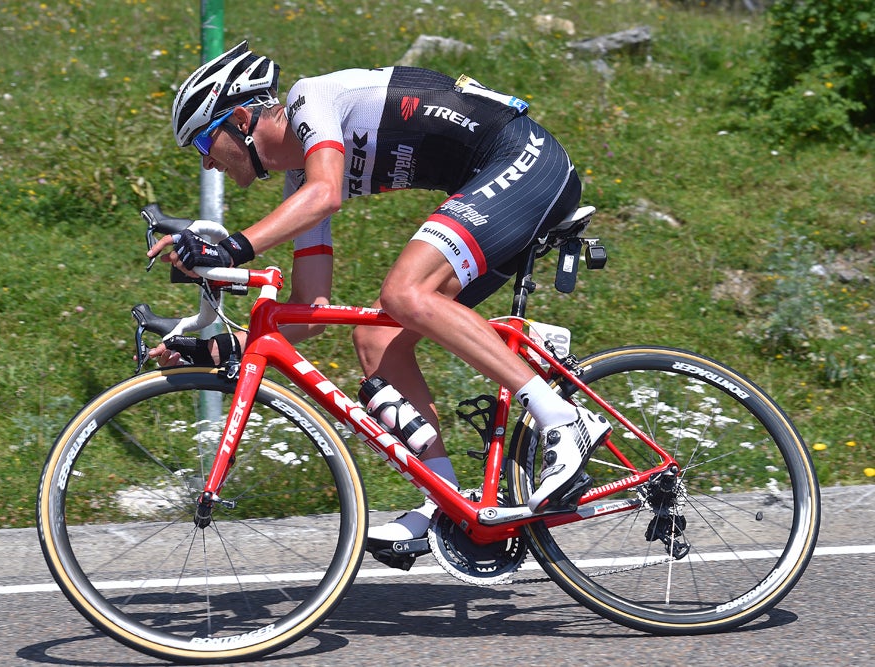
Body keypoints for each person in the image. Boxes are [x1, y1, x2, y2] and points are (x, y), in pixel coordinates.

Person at [148, 41, 611, 558]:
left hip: (524, 160)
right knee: (376, 337)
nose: (208, 164)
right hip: (495, 183)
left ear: (238, 119)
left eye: (203, 142)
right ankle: (448, 501)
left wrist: (234, 245)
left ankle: (563, 420)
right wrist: (220, 350)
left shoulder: (310, 99)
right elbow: (310, 308)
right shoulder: (300, 178)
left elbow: (327, 194)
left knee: (403, 291)